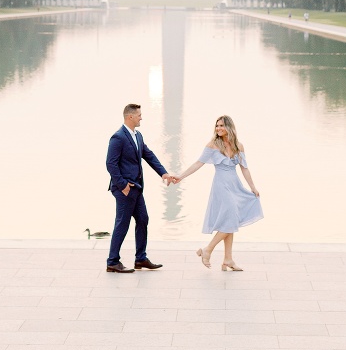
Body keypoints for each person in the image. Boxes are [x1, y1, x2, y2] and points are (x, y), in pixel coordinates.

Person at [175, 115, 262, 271]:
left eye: (221, 125)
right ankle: (208, 249)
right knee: (231, 218)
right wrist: (180, 177)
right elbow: (198, 163)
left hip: (235, 185)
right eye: (217, 126)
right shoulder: (213, 145)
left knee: (230, 220)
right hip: (221, 186)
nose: (218, 128)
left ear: (229, 127)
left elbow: (244, 168)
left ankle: (228, 259)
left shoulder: (239, 146)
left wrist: (252, 187)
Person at [105, 103, 175, 273]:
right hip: (125, 188)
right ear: (130, 117)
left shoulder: (138, 135)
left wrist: (163, 173)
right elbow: (110, 164)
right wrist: (123, 185)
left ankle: (140, 259)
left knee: (143, 219)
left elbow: (148, 155)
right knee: (122, 223)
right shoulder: (118, 137)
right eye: (139, 115)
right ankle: (113, 261)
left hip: (136, 188)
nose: (141, 117)